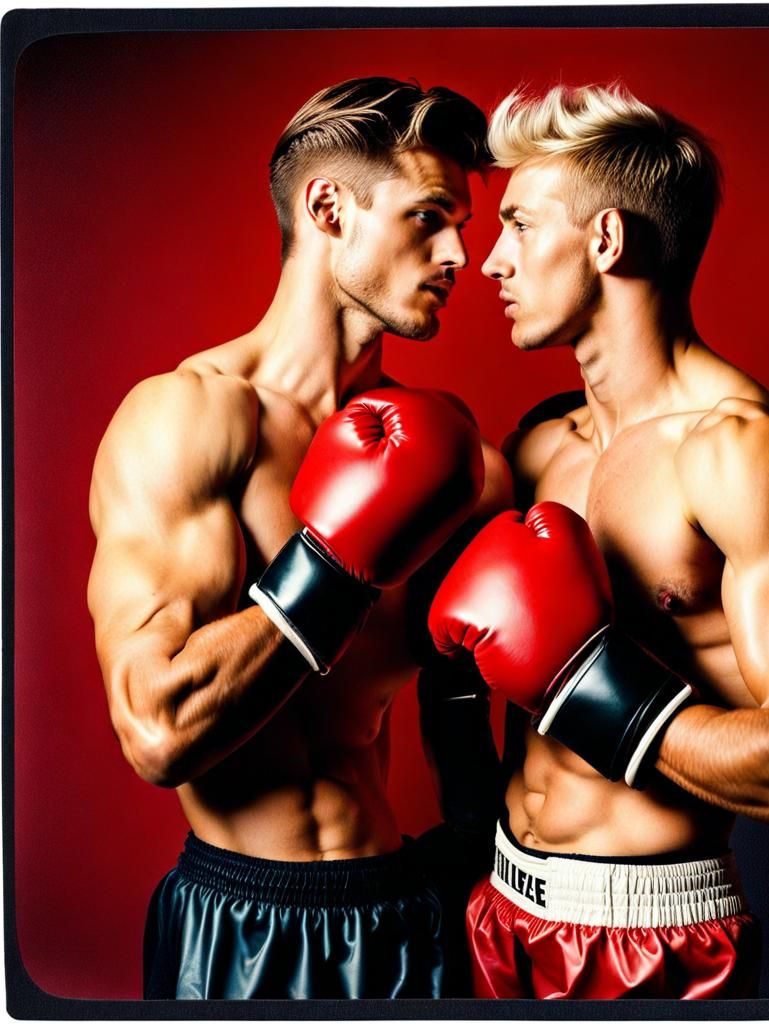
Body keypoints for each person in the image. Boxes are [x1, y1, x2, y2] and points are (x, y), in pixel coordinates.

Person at [428, 84, 769, 1000]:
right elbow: (465, 682)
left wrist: (577, 681)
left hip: (654, 941)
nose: (490, 263)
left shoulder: (750, 456)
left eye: (518, 224)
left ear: (606, 240)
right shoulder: (539, 443)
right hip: (497, 911)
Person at [86, 77, 510, 1000]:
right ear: (329, 207)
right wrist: (337, 563)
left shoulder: (446, 453)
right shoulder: (191, 420)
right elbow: (156, 732)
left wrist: (483, 866)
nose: (459, 257)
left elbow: (454, 699)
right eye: (430, 216)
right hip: (239, 930)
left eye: (466, 229)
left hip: (405, 915)